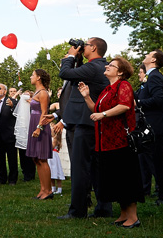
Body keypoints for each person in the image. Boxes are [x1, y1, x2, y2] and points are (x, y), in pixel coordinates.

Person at [78, 56, 144, 228]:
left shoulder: (124, 86)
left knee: (125, 180)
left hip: (121, 141)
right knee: (115, 180)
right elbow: (96, 109)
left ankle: (133, 217)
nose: (107, 66)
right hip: (105, 143)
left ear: (120, 72)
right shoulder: (107, 89)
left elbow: (125, 106)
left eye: (111, 65)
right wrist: (86, 97)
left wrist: (104, 115)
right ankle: (123, 214)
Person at [57, 37, 112, 220]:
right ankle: (104, 208)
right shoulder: (100, 67)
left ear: (94, 48)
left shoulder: (93, 67)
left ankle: (77, 211)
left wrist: (70, 57)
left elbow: (65, 73)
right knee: (98, 168)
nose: (84, 46)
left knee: (80, 168)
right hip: (94, 123)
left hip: (84, 124)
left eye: (87, 44)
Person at [138, 50, 163, 205]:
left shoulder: (155, 77)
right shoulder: (151, 77)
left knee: (158, 160)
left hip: (156, 126)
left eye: (148, 54)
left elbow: (158, 100)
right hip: (153, 125)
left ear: (153, 59)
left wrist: (137, 103)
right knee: (157, 160)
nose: (145, 55)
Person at [27, 70, 54, 199]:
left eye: (32, 75)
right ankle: (42, 189)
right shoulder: (37, 92)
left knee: (42, 158)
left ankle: (48, 191)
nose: (31, 77)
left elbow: (44, 112)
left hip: (40, 126)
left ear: (38, 78)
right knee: (36, 158)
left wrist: (39, 127)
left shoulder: (43, 93)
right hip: (34, 124)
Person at [134, 63, 155, 197]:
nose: (139, 75)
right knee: (142, 159)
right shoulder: (140, 87)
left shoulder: (148, 86)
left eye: (141, 72)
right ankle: (144, 187)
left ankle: (152, 187)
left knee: (148, 159)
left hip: (147, 125)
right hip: (140, 126)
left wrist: (138, 102)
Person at [0, 83, 18, 185]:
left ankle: (12, 179)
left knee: (12, 158)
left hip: (9, 134)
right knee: (0, 158)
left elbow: (17, 114)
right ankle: (1, 178)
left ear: (5, 91)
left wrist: (12, 107)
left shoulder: (12, 101)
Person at [13, 88, 37, 182]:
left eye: (27, 95)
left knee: (30, 154)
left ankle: (31, 173)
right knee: (22, 153)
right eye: (24, 95)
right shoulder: (21, 107)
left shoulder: (33, 107)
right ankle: (25, 173)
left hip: (31, 132)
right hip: (22, 133)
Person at [50, 128, 65, 195]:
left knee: (56, 172)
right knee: (51, 173)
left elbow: (52, 147)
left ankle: (59, 188)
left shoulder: (54, 139)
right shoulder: (49, 138)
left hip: (53, 157)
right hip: (49, 158)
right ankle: (53, 187)